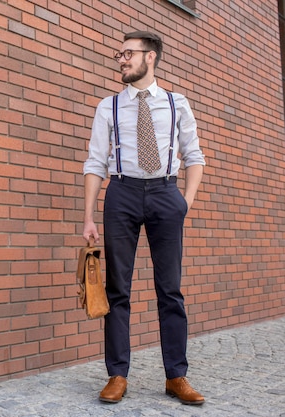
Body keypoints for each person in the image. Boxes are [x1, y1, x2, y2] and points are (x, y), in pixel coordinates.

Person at [82, 31, 205, 405]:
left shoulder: (176, 102)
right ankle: (117, 374)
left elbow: (194, 156)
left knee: (170, 290)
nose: (121, 59)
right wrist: (88, 216)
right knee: (118, 288)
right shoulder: (109, 106)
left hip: (167, 194)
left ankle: (176, 376)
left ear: (150, 57)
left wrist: (185, 202)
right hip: (122, 194)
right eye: (120, 54)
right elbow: (95, 161)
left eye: (128, 53)